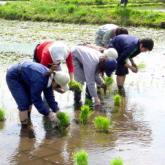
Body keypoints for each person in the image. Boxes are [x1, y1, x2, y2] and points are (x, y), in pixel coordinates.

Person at [6, 61, 70, 131]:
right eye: (59, 86)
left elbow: (50, 98)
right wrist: (49, 113)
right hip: (14, 76)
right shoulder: (41, 79)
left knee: (29, 101)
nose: (59, 88)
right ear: (55, 82)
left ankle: (28, 121)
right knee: (24, 104)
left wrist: (57, 111)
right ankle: (24, 130)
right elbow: (36, 99)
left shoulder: (49, 77)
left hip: (25, 76)